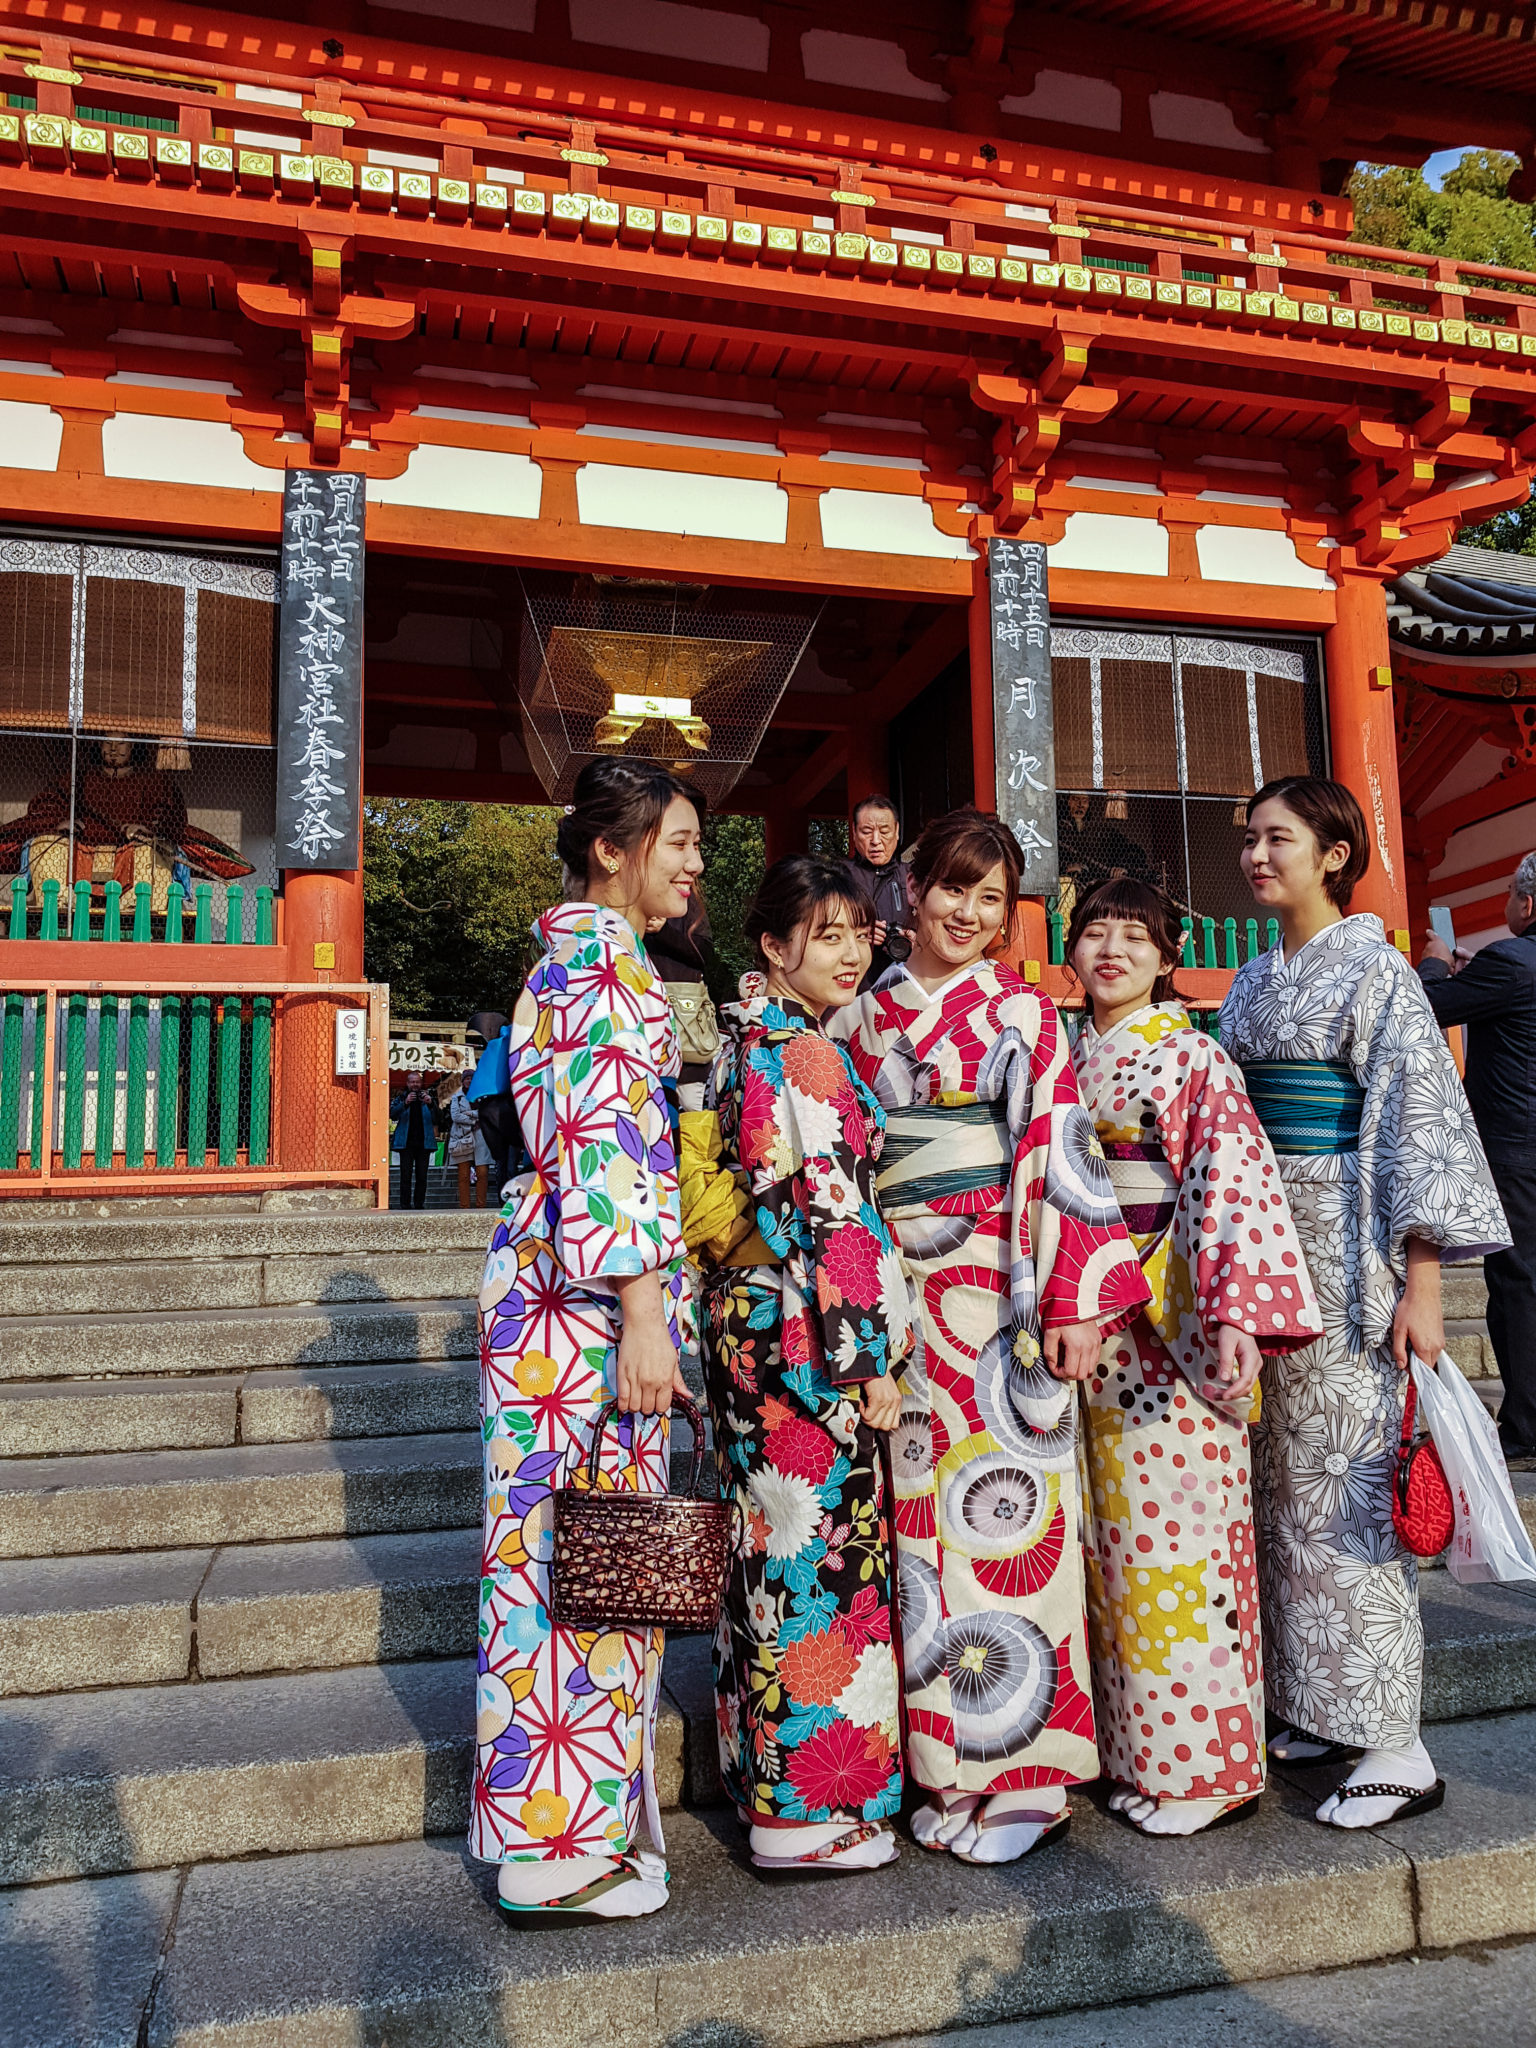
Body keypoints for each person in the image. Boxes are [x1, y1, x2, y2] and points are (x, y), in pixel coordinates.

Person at [830, 807, 1150, 1864]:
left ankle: (1033, 1770)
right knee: (921, 1530)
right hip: (898, 1291)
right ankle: (952, 1762)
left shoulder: (1021, 1009)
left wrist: (1073, 1301)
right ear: (907, 887)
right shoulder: (864, 1015)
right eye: (950, 886)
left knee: (1012, 1525)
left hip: (996, 1293)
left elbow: (1056, 1151)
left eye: (989, 894)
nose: (967, 911)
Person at [1220, 776, 1508, 1830]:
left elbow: (1418, 1119)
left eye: (1278, 837)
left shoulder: (1378, 970)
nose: (1258, 853)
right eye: (1249, 837)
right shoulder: (1252, 979)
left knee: (1349, 1484)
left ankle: (1398, 1738)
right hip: (1259, 1242)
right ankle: (1315, 1700)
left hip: (1347, 1245)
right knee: (1281, 1486)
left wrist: (1423, 1277)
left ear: (1335, 852)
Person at [471, 758, 704, 1922]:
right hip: (590, 1300)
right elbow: (609, 1148)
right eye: (678, 841)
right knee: (589, 1554)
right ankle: (556, 1848)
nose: (696, 862)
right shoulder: (602, 965)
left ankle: (567, 1829)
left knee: (555, 1548)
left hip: (553, 1284)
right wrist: (647, 1314)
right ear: (613, 849)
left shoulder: (570, 957)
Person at [1067, 878, 1322, 1836]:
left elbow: (1231, 1187)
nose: (1113, 950)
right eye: (1096, 931)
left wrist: (1233, 1318)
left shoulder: (1191, 1059)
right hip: (1094, 1328)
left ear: (1168, 959)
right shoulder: (1072, 1057)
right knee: (1114, 1555)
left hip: (1169, 1322)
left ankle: (1206, 1771)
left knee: (1180, 1552)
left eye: (1137, 936)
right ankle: (1139, 1757)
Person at [696, 855, 912, 1874]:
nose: (851, 951)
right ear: (774, 947)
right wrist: (870, 1359)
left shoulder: (750, 1041)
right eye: (826, 933)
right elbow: (833, 1217)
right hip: (807, 1337)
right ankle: (806, 1808)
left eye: (860, 931)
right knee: (818, 1559)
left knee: (770, 1549)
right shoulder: (805, 1055)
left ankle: (763, 1789)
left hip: (754, 1325)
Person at [1418, 852, 1536, 1461]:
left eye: (1512, 897)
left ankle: (1524, 1426)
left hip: (1517, 1148)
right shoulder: (1507, 967)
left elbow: (1430, 1008)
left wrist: (1437, 967)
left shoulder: (1511, 961)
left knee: (1518, 1283)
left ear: (1529, 903)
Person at [847, 795, 913, 991]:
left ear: (897, 832)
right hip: (852, 985)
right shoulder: (838, 876)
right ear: (854, 832)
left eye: (884, 831)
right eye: (867, 832)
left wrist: (915, 941)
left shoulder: (913, 877)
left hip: (903, 984)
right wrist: (857, 933)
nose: (876, 841)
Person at [391, 1071, 438, 1210]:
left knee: (422, 1176)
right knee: (405, 1176)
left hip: (424, 1143)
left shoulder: (428, 1098)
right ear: (407, 1083)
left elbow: (439, 1117)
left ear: (421, 1083)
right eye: (412, 1082)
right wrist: (405, 1103)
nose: (415, 1084)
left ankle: (419, 1204)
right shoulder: (401, 1097)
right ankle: (404, 1204)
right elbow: (392, 1114)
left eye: (417, 1082)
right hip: (405, 1143)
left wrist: (430, 1103)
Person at [447, 1081, 493, 1209]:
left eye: (472, 1078)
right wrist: (474, 1120)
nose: (469, 1081)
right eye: (466, 1078)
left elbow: (487, 1113)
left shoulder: (484, 1096)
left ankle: (481, 1205)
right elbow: (455, 1116)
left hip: (481, 1137)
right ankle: (464, 1206)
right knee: (463, 1175)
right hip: (462, 1137)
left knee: (483, 1173)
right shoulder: (457, 1097)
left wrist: (471, 1113)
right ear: (462, 1081)